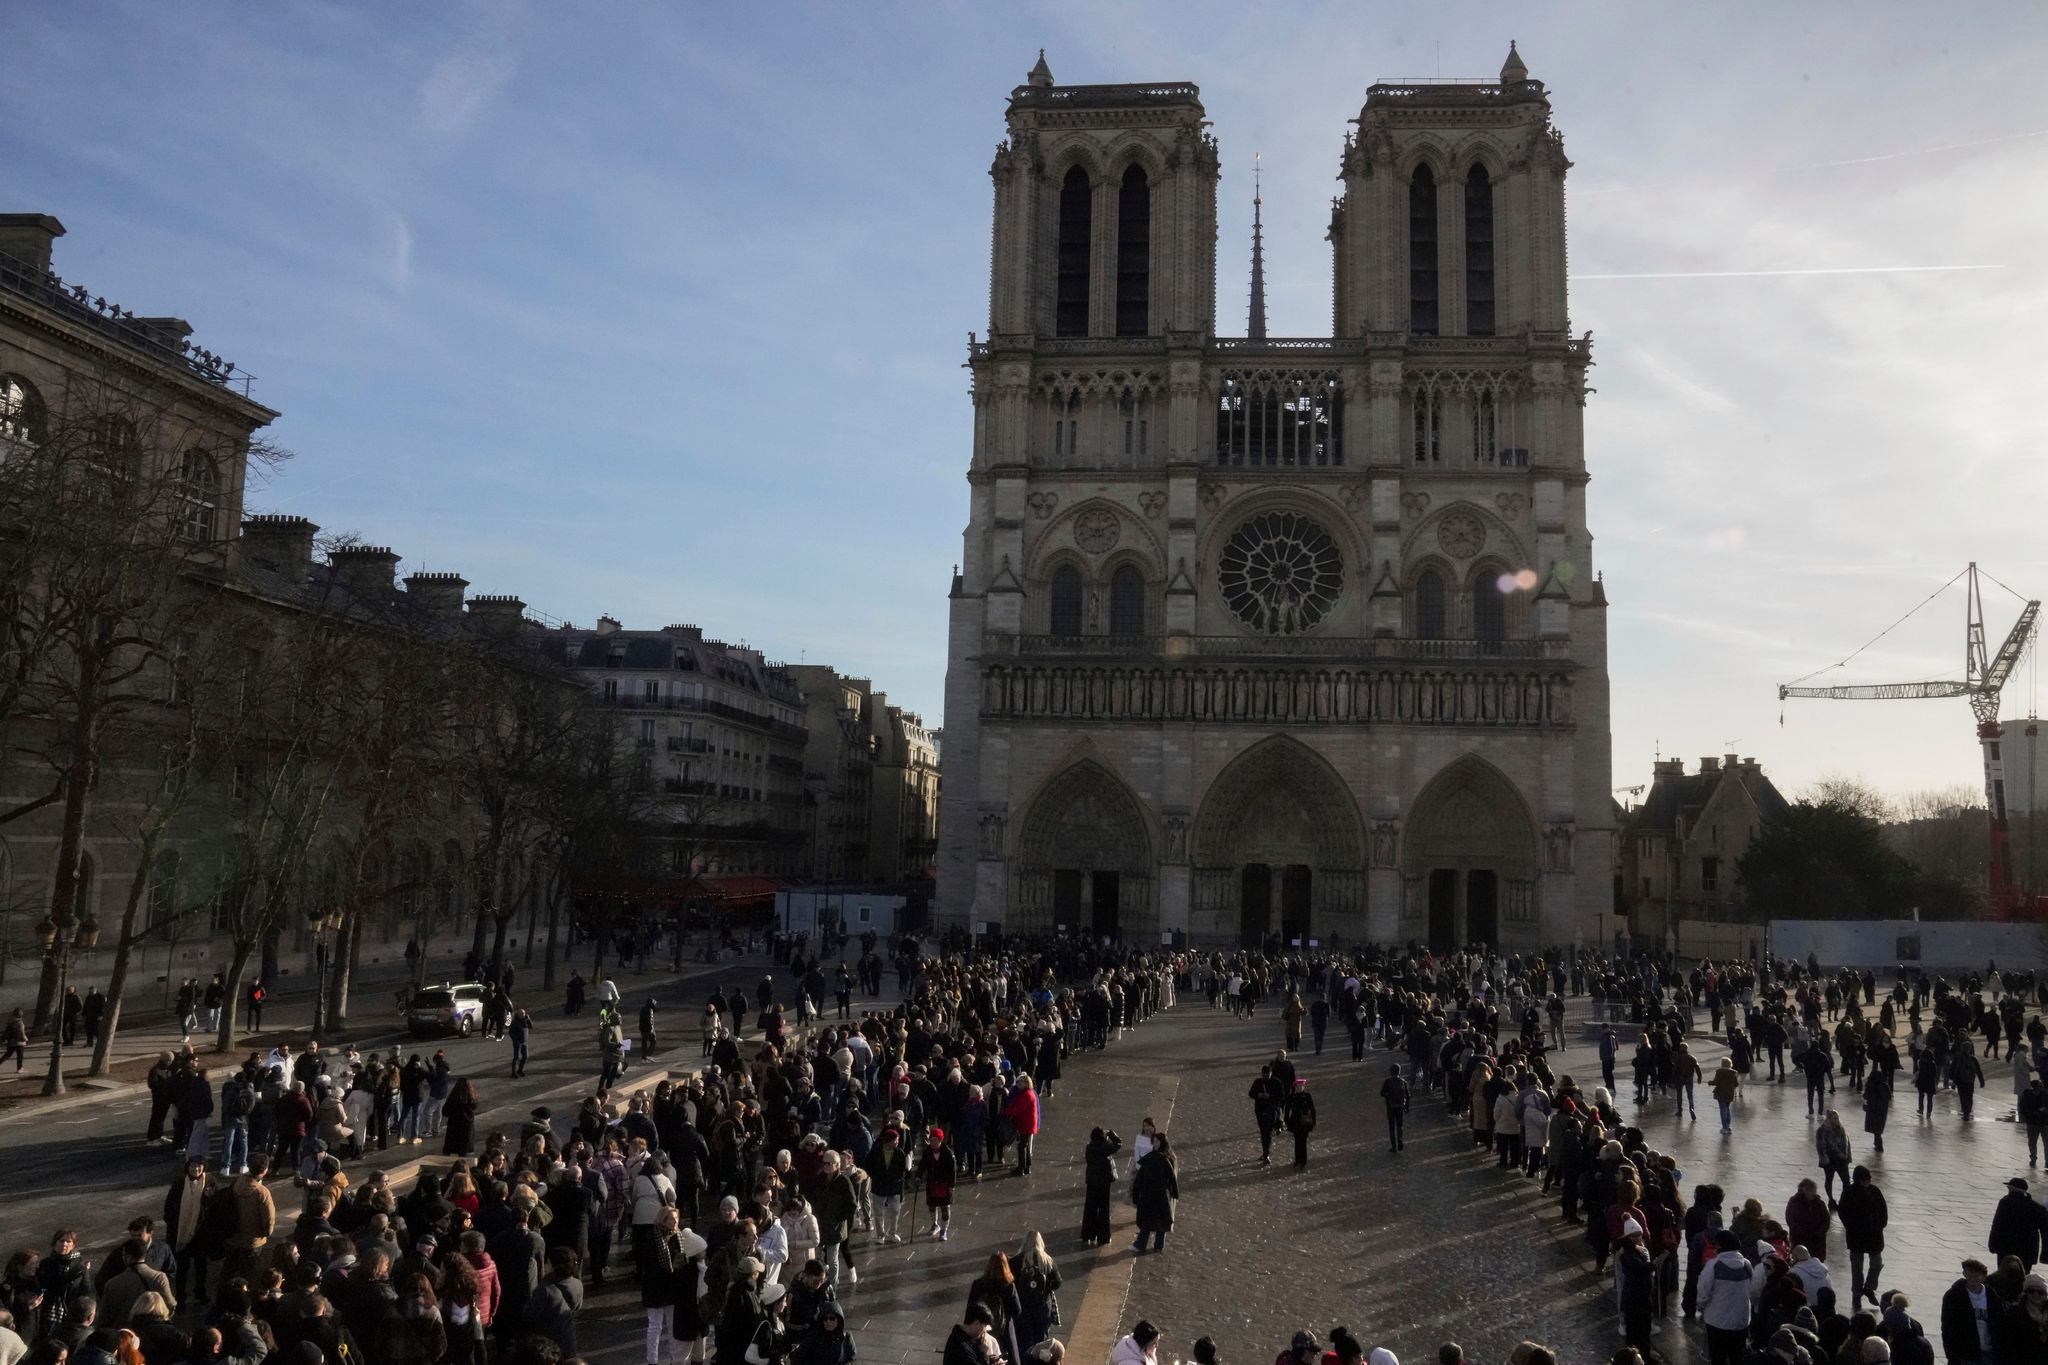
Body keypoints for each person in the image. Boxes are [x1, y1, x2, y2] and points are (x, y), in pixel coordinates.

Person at [1697, 1229, 1761, 1365]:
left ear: (1719, 1246)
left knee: (1718, 1358)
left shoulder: (1713, 1266)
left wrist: (1701, 1308)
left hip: (1717, 1322)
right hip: (1740, 1322)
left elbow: (1703, 1293)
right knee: (1737, 1358)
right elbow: (1754, 1292)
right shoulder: (1747, 1265)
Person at [1840, 1166, 1889, 1312]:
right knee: (1857, 1267)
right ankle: (1856, 1294)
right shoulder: (1849, 1192)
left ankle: (1869, 1288)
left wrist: (1880, 1224)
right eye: (1864, 1179)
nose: (1867, 1182)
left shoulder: (1875, 1191)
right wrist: (1852, 1227)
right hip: (1857, 1236)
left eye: (1868, 1179)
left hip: (1874, 1235)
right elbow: (1843, 1212)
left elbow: (1883, 1210)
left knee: (1877, 1264)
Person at [965, 1253, 1024, 1364]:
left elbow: (970, 1311)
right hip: (1005, 1334)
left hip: (983, 1333)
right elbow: (1017, 1311)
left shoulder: (979, 1284)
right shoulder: (1009, 1286)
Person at [1940, 1258, 2000, 1365]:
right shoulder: (1953, 1296)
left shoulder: (1991, 1295)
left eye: (1976, 1275)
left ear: (1983, 1276)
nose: (1972, 1279)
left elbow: (2001, 1324)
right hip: (1966, 1354)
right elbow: (1947, 1327)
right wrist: (1952, 1355)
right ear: (1964, 1274)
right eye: (1969, 1275)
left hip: (1989, 1352)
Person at [1012, 1232, 1061, 1353]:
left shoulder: (1016, 1261)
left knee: (1024, 1341)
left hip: (1023, 1307)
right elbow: (1057, 1283)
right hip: (1042, 1307)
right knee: (1041, 1341)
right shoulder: (1048, 1261)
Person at [1131, 1132, 1178, 1255]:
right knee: (1155, 1220)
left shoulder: (1160, 1158)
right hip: (1154, 1195)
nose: (1155, 1144)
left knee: (1154, 1221)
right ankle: (1150, 1245)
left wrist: (1174, 1191)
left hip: (1157, 1195)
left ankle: (1151, 1245)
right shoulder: (1160, 1158)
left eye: (1157, 1142)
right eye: (1154, 1142)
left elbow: (1171, 1177)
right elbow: (1140, 1178)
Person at [1991, 1177, 2047, 1271]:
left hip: (2006, 1247)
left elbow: (1997, 1225)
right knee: (2023, 1276)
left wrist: (1992, 1244)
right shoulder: (2038, 1208)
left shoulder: (2005, 1203)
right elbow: (2045, 1232)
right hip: (2028, 1250)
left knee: (2004, 1275)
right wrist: (2045, 1254)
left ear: (2011, 1188)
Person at [1081, 1128, 1122, 1246]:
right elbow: (1118, 1143)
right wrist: (1112, 1134)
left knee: (1090, 1209)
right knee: (1104, 1209)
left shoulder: (1089, 1148)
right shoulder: (1105, 1148)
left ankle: (1088, 1234)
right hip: (1104, 1183)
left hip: (1092, 1182)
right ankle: (1103, 1236)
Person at [923, 1128, 958, 1243]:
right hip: (932, 1183)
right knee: (931, 1206)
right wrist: (919, 1176)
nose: (933, 1143)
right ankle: (934, 1224)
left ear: (940, 1140)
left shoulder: (948, 1153)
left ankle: (944, 1230)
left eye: (935, 1140)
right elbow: (922, 1166)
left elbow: (952, 1171)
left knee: (945, 1208)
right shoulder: (927, 1151)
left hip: (944, 1184)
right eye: (931, 1140)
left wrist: (951, 1185)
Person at [1248, 1065, 1284, 1167]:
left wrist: (1270, 1097)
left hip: (1271, 1111)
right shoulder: (1258, 1082)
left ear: (1271, 1073)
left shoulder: (1277, 1082)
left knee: (1266, 1133)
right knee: (1264, 1133)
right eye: (1264, 1075)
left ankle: (1266, 1154)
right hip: (1260, 1111)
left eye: (1267, 1075)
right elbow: (1251, 1093)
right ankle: (1265, 1152)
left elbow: (1281, 1096)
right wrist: (1258, 1095)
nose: (1265, 1076)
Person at [1284, 1077, 1318, 1169]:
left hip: (1305, 1122)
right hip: (1295, 1121)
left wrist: (1313, 1121)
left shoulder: (1307, 1096)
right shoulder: (1292, 1097)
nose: (1300, 1088)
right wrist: (1286, 1121)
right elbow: (1287, 1110)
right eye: (1298, 1086)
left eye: (1301, 1086)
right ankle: (1298, 1159)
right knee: (1297, 1141)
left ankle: (1303, 1160)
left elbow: (1312, 1109)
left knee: (1303, 1141)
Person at [1381, 1064, 1410, 1152]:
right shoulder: (1403, 1081)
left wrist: (1387, 1096)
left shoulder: (1388, 1081)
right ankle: (1400, 1139)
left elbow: (1382, 1093)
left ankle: (1393, 1146)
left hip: (1390, 1106)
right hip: (1400, 1106)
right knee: (1400, 1124)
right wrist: (1407, 1106)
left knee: (1391, 1125)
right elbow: (1408, 1095)